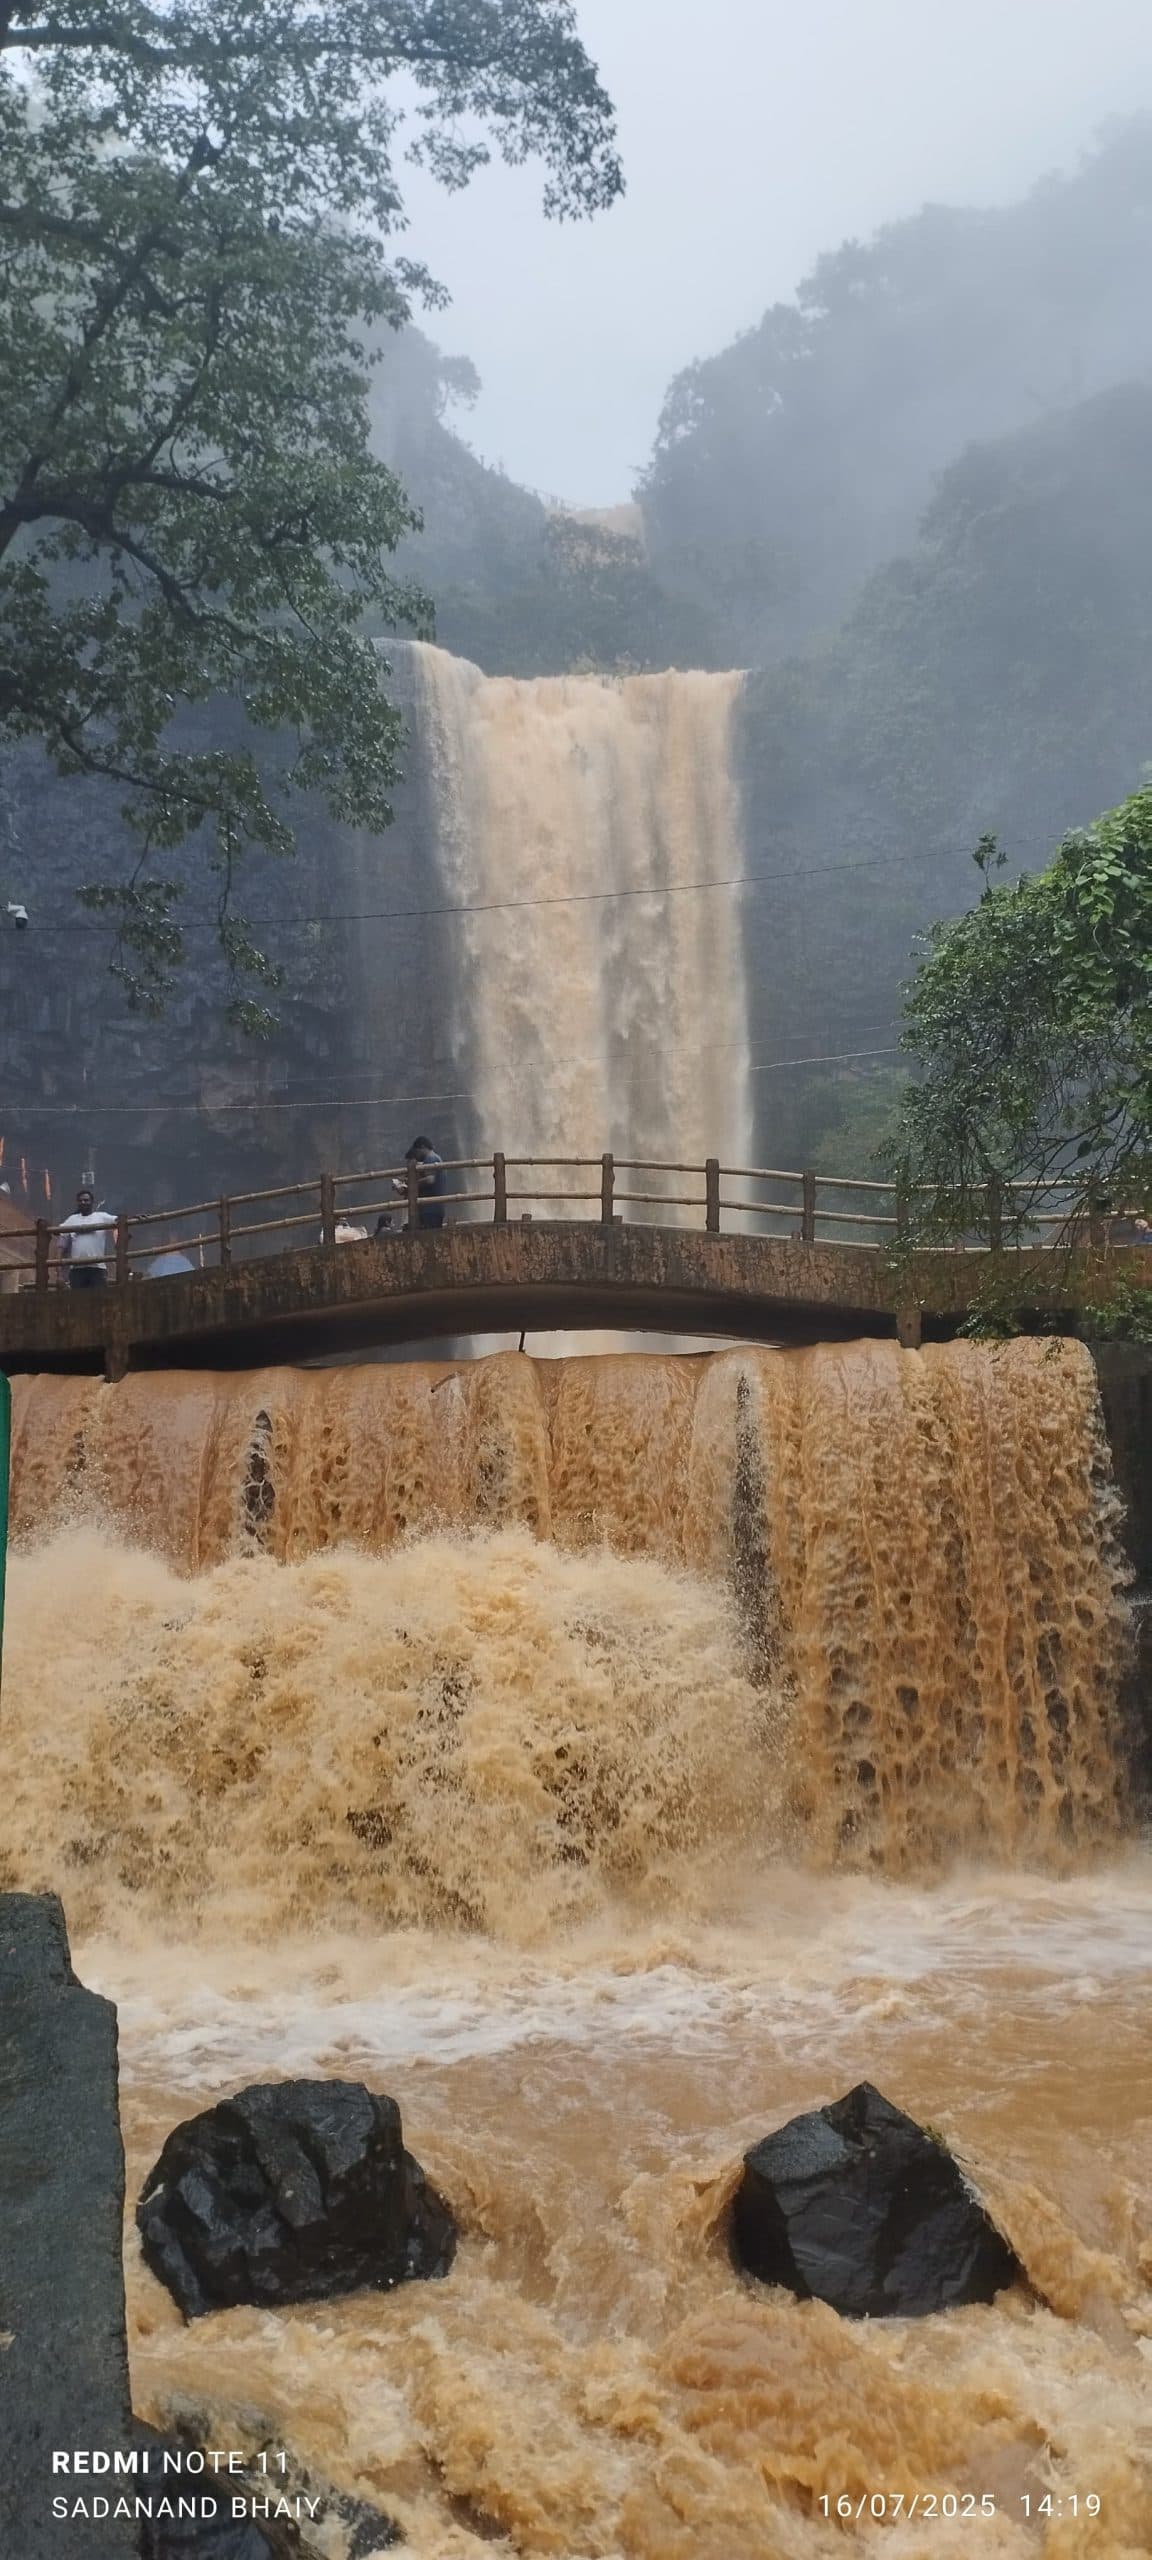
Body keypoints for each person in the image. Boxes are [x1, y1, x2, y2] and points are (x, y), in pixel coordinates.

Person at [58, 1186, 117, 1288]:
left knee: (99, 1298)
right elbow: (61, 1240)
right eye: (80, 1200)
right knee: (78, 1300)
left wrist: (134, 1217)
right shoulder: (72, 1220)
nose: (83, 1202)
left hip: (97, 1268)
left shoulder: (101, 1217)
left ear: (92, 1202)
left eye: (86, 1200)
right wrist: (59, 1271)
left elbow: (118, 1220)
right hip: (77, 1269)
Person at [392, 1136, 446, 1230]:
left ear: (423, 1147)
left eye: (416, 1151)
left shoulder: (431, 1158)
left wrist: (410, 1186)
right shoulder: (435, 1158)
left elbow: (430, 1179)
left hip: (430, 1209)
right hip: (432, 1208)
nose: (416, 1155)